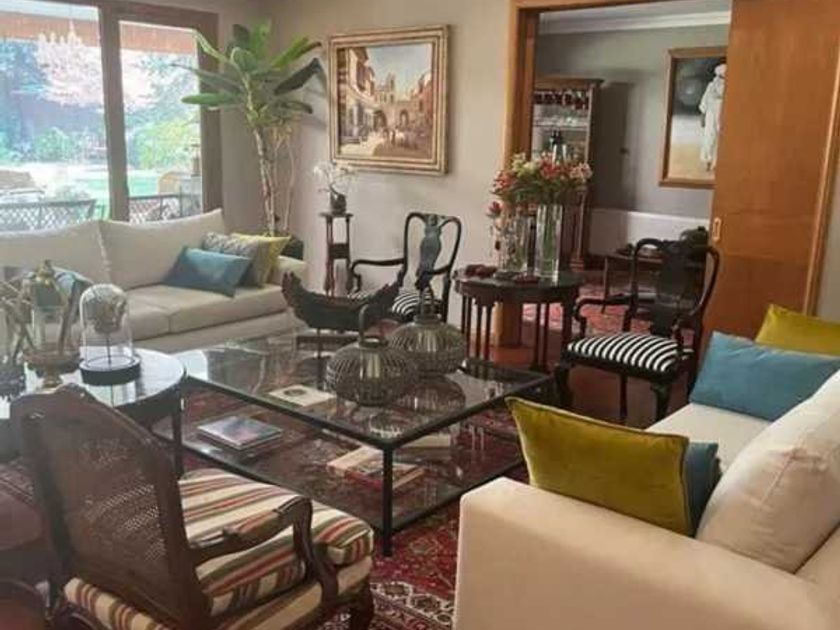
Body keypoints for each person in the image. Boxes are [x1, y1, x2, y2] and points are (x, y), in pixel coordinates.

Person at [699, 63, 726, 172]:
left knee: (722, 140)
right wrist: (703, 115)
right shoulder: (711, 86)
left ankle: (718, 164)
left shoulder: (732, 86)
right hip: (711, 114)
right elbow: (705, 100)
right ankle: (708, 162)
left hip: (724, 114)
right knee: (709, 138)